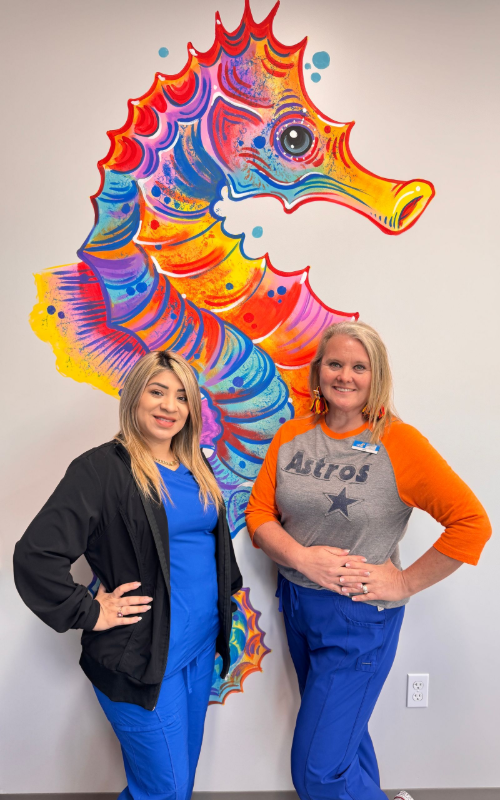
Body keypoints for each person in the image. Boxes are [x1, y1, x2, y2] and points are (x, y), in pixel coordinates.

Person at [245, 320, 491, 800]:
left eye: (360, 367)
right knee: (343, 740)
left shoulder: (400, 443)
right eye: (335, 363)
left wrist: (402, 584)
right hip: (297, 604)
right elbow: (258, 512)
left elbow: (472, 523)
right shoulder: (291, 436)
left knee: (316, 771)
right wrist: (300, 557)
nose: (345, 375)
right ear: (318, 372)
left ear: (376, 377)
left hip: (358, 619)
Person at [14, 350, 242, 800]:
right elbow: (35, 555)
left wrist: (225, 602)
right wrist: (90, 611)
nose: (169, 406)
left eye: (181, 396)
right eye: (157, 392)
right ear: (134, 396)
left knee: (178, 784)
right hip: (140, 657)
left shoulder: (198, 466)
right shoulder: (101, 470)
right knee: (165, 790)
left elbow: (214, 549)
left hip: (198, 651)